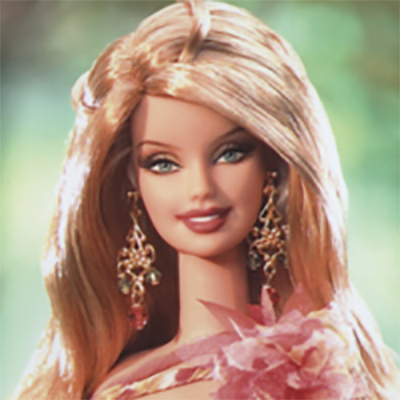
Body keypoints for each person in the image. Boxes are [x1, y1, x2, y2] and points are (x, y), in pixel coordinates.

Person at [12, 1, 399, 399]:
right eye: (162, 163)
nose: (200, 187)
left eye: (231, 153)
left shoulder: (316, 373)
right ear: (132, 180)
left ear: (271, 162)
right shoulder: (117, 385)